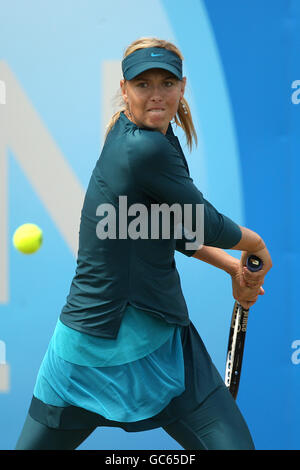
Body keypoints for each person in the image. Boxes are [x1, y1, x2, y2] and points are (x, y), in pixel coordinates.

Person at [15, 37, 272, 450]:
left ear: (182, 87)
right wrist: (255, 245)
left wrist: (232, 267)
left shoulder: (141, 135)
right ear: (124, 89)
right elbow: (203, 223)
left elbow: (164, 225)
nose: (156, 95)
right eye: (143, 85)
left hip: (162, 342)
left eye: (166, 83)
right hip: (95, 348)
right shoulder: (144, 147)